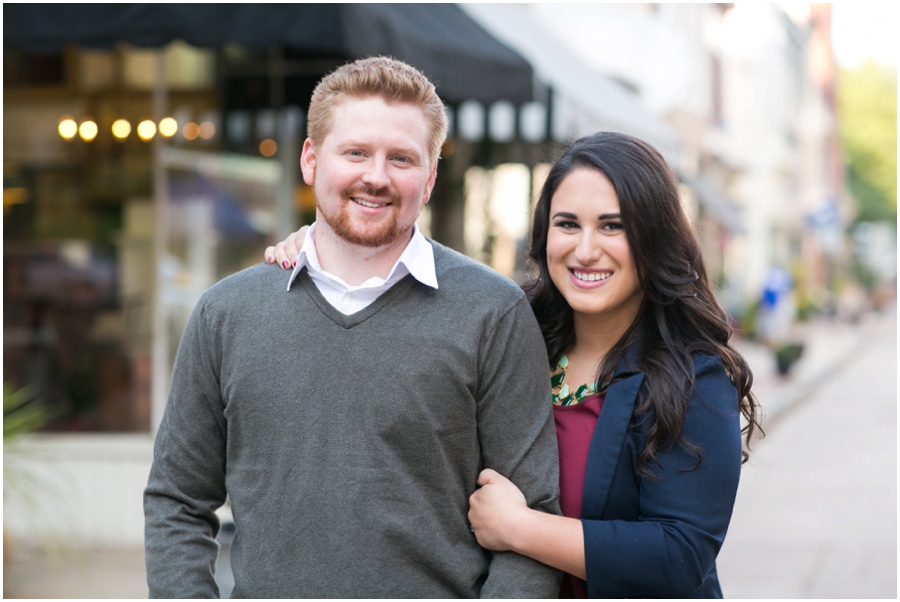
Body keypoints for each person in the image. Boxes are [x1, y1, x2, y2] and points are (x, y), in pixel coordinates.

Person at [267, 131, 762, 599]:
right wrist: (324, 252)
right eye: (567, 224)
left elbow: (679, 556)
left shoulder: (694, 377)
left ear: (653, 239)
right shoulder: (507, 326)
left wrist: (523, 529)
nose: (585, 250)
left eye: (613, 226)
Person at [144, 56, 562, 598]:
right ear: (311, 160)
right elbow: (177, 500)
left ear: (430, 177)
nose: (376, 176)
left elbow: (530, 517)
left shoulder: (493, 312)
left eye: (402, 158)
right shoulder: (226, 313)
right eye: (357, 152)